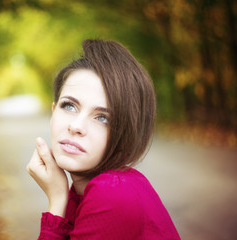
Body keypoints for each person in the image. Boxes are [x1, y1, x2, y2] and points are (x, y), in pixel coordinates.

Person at [26, 39, 180, 239]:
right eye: (69, 106)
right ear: (54, 110)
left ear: (125, 133)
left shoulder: (113, 194)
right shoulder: (92, 189)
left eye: (102, 118)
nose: (76, 126)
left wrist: (57, 201)